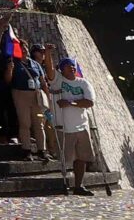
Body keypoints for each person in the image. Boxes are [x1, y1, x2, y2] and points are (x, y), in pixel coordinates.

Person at [50, 57, 97, 196]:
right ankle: (65, 182)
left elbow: (89, 102)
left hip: (81, 125)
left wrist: (70, 102)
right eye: (68, 66)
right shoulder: (58, 81)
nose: (72, 68)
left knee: (81, 158)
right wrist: (47, 53)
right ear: (62, 69)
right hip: (64, 125)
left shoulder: (83, 83)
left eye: (73, 66)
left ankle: (79, 185)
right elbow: (50, 70)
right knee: (66, 157)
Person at [8, 42, 51, 160]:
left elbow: (43, 82)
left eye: (25, 48)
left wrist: (48, 97)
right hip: (21, 93)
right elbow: (8, 80)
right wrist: (9, 69)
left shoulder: (36, 64)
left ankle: (42, 149)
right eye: (20, 49)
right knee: (25, 122)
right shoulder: (14, 64)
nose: (23, 50)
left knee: (39, 123)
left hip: (36, 94)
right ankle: (26, 149)